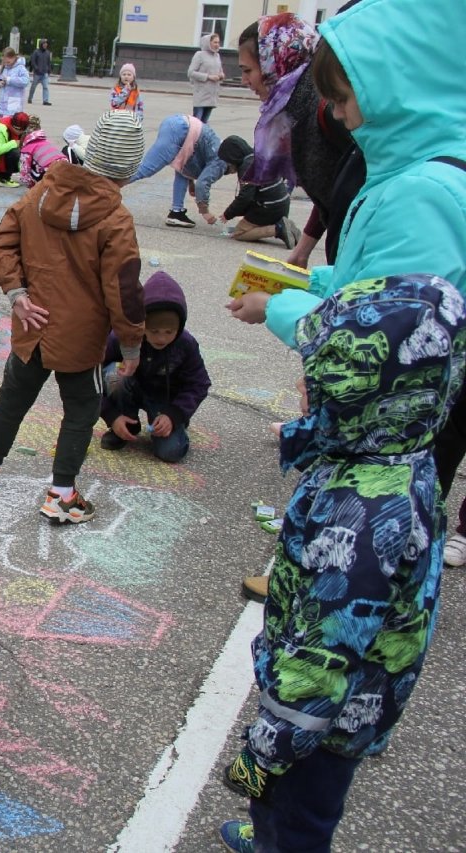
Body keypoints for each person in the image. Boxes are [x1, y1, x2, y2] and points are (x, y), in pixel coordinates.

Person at [217, 274, 466, 853]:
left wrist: (266, 747)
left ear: (362, 396)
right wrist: (311, 433)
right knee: (293, 804)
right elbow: (350, 428)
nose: (309, 383)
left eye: (325, 377)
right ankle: (270, 829)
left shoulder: (360, 515)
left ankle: (279, 839)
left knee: (303, 812)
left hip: (328, 717)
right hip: (353, 695)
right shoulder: (405, 443)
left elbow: (322, 654)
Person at [228, 0, 466, 604]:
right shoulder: (407, 170)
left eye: (340, 98)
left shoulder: (421, 194)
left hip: (378, 450)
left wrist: (276, 310)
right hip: (379, 445)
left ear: (397, 82)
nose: (333, 115)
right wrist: (309, 282)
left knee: (329, 639)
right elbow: (375, 285)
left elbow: (373, 342)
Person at [0, 110, 145, 517]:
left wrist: (17, 292)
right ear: (127, 170)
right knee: (81, 410)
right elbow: (123, 289)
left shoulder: (40, 193)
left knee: (12, 400)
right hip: (79, 337)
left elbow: (1, 243)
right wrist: (131, 345)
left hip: (31, 326)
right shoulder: (116, 218)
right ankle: (61, 494)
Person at [236, 13, 352, 269]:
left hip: (360, 244)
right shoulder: (298, 101)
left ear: (273, 61)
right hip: (346, 240)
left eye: (247, 70)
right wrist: (303, 249)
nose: (245, 81)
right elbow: (332, 189)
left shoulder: (325, 106)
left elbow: (354, 185)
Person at [100, 271, 209, 463]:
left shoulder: (185, 344)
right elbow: (90, 375)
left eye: (169, 332)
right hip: (130, 388)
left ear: (179, 327)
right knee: (112, 374)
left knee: (170, 452)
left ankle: (175, 424)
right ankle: (127, 423)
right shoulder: (123, 337)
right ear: (142, 325)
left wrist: (175, 414)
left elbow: (199, 384)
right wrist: (112, 415)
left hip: (165, 400)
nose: (161, 338)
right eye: (154, 331)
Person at [128, 113, 225, 227]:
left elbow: (188, 166)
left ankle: (176, 212)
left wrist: (191, 182)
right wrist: (205, 212)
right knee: (147, 169)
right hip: (181, 129)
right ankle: (105, 185)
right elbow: (203, 183)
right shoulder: (222, 161)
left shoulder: (220, 145)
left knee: (181, 173)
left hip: (179, 123)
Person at [216, 135, 299, 249]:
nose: (227, 165)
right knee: (248, 221)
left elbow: (245, 197)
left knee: (239, 233)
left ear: (233, 157)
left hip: (269, 207)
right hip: (281, 202)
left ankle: (278, 228)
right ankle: (287, 228)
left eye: (228, 161)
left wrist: (228, 214)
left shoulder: (247, 167)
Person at [18, 114, 63, 189]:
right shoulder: (45, 142)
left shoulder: (27, 149)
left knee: (28, 167)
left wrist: (31, 187)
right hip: (65, 166)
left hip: (51, 172)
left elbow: (24, 173)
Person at [188, 32, 225, 123]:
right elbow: (191, 72)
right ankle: (193, 137)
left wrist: (221, 75)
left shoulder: (217, 56)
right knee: (197, 122)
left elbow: (220, 70)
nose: (217, 45)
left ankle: (202, 137)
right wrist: (208, 77)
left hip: (212, 94)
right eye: (215, 42)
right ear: (208, 43)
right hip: (201, 94)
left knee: (205, 122)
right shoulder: (199, 55)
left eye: (218, 42)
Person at [0, 47, 29, 119]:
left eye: (9, 60)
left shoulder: (20, 68)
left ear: (14, 57)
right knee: (2, 128)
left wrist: (10, 80)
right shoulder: (3, 68)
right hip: (2, 106)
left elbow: (26, 81)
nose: (7, 62)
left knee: (11, 128)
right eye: (5, 61)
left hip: (14, 107)